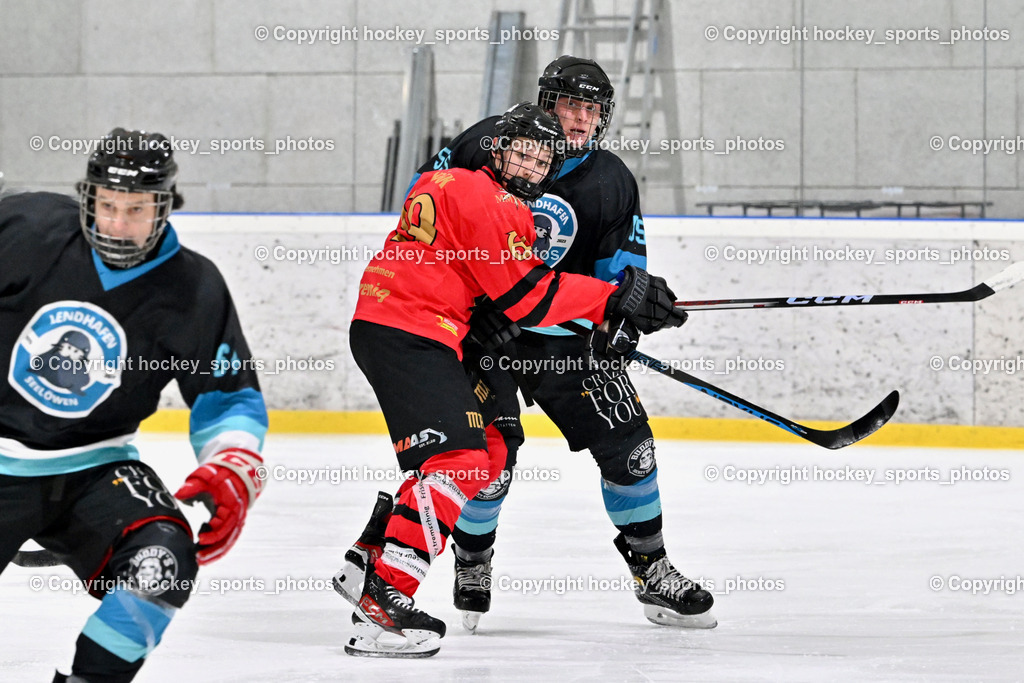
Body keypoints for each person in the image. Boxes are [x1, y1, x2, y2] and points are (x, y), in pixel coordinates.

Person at [343, 56, 716, 634]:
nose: (576, 120)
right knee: (487, 461)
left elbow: (621, 273)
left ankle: (653, 569)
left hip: (561, 334)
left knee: (631, 449)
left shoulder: (612, 179)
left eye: (590, 110)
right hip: (479, 334)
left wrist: (625, 314)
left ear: (603, 118)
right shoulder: (488, 144)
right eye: (568, 104)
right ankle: (472, 557)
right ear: (543, 105)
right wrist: (482, 307)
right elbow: (430, 212)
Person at [0, 128, 268, 682]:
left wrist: (234, 463)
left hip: (96, 466)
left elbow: (227, 396)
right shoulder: (25, 231)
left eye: (137, 208)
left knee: (161, 564)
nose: (117, 223)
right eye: (107, 206)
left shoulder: (192, 287)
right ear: (88, 197)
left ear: (166, 206)